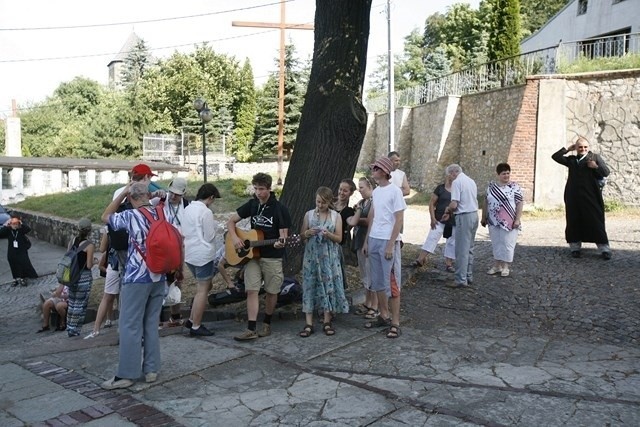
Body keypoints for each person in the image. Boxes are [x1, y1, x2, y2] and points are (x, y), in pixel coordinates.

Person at [100, 181, 166, 390]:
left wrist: (120, 196)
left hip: (137, 276)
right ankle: (151, 370)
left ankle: (126, 374)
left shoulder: (130, 215)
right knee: (150, 324)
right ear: (147, 195)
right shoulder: (160, 213)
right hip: (159, 276)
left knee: (128, 325)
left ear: (130, 198)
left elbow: (105, 217)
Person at [227, 173, 291, 341]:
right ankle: (251, 328)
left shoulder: (279, 209)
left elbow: (283, 237)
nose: (258, 192)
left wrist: (280, 243)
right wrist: (235, 238)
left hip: (272, 256)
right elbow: (231, 222)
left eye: (261, 189)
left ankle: (267, 323)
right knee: (251, 290)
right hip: (253, 256)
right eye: (255, 188)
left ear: (269, 188)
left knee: (271, 290)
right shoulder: (253, 204)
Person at [363, 157, 406, 339]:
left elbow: (399, 219)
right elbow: (373, 216)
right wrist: (366, 240)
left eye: (375, 168)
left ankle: (395, 322)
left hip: (388, 241)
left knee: (392, 283)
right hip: (374, 239)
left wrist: (390, 244)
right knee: (378, 281)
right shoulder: (377, 192)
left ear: (384, 171)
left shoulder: (394, 191)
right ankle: (383, 314)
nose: (372, 170)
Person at [299, 187, 349, 337]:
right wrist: (307, 233)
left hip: (329, 259)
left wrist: (328, 235)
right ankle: (308, 323)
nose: (320, 205)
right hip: (311, 258)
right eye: (318, 202)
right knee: (309, 287)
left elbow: (339, 239)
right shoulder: (309, 215)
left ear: (329, 202)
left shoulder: (335, 217)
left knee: (328, 286)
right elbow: (302, 236)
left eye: (323, 203)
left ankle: (327, 320)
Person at [552, 137, 612, 259]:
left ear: (588, 147)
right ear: (576, 148)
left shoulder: (595, 158)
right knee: (574, 220)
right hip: (573, 195)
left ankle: (604, 248)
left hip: (591, 195)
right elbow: (556, 157)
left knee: (595, 220)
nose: (583, 149)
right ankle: (575, 247)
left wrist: (595, 167)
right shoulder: (572, 160)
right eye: (580, 147)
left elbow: (606, 172)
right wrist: (567, 150)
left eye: (585, 147)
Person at [181, 183, 221, 337]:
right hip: (203, 254)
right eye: (213, 199)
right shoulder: (206, 212)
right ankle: (196, 325)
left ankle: (191, 319)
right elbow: (210, 236)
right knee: (202, 290)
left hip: (190, 253)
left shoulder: (187, 208)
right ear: (210, 197)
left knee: (204, 286)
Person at [481, 163, 524, 277]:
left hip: (509, 221)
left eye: (508, 173)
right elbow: (486, 201)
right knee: (496, 243)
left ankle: (506, 266)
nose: (506, 175)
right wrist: (483, 216)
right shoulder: (491, 187)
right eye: (503, 173)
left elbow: (520, 203)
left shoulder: (515, 187)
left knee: (507, 243)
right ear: (498, 174)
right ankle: (497, 265)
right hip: (493, 220)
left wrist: (517, 219)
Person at [441, 164, 478, 289]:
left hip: (464, 216)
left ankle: (460, 279)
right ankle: (468, 275)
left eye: (449, 176)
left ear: (453, 173)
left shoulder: (457, 182)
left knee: (461, 249)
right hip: (474, 215)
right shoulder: (471, 181)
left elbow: (454, 204)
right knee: (469, 248)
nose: (450, 178)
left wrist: (447, 211)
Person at [410, 172, 456, 272]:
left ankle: (449, 264)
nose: (451, 177)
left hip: (452, 221)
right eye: (450, 174)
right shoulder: (440, 188)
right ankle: (420, 259)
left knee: (451, 242)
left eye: (454, 174)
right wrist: (432, 218)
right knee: (432, 237)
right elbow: (431, 203)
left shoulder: (458, 190)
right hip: (439, 219)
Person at [347, 176, 378, 319]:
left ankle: (374, 304)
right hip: (359, 240)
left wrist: (355, 220)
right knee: (364, 273)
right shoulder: (362, 202)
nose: (359, 190)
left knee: (371, 273)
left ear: (370, 187)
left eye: (362, 187)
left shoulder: (373, 202)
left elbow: (371, 221)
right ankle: (367, 302)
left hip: (368, 240)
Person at [162, 177, 190, 327]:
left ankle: (175, 316)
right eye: (171, 192)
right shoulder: (162, 200)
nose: (173, 196)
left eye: (177, 194)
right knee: (159, 281)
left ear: (183, 194)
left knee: (177, 281)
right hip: (163, 245)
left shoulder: (187, 205)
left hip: (179, 247)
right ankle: (157, 317)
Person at [84, 230, 118, 339]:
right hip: (131, 263)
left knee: (106, 297)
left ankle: (96, 329)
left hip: (114, 264)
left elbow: (102, 248)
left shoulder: (110, 225)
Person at [65, 218, 95, 337]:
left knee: (72, 302)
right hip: (83, 277)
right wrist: (95, 261)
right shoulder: (89, 245)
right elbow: (89, 265)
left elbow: (67, 258)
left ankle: (69, 327)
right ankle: (74, 329)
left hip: (72, 276)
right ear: (90, 231)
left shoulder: (72, 241)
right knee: (80, 304)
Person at [0, 215, 38, 287]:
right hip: (12, 251)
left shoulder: (21, 230)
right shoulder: (8, 230)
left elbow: (28, 229)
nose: (15, 225)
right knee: (13, 264)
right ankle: (15, 279)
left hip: (21, 251)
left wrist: (21, 222)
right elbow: (0, 233)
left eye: (16, 224)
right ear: (10, 224)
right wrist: (5, 225)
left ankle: (22, 278)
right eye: (13, 224)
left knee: (22, 264)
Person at [334, 179, 357, 269]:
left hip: (337, 244)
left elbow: (352, 223)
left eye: (345, 191)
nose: (341, 192)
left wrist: (358, 211)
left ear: (350, 193)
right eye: (340, 189)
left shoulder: (348, 211)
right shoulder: (329, 204)